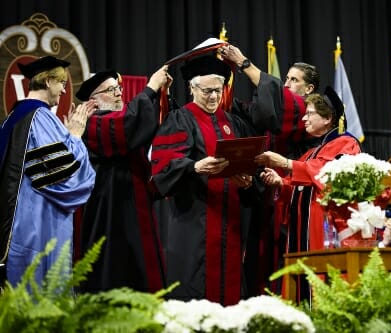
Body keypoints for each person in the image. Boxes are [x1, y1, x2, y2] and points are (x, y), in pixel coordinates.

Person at [149, 55, 258, 306]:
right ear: (192, 88)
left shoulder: (234, 123)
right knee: (194, 290)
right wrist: (194, 166)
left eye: (217, 91)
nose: (213, 97)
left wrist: (249, 182)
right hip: (194, 220)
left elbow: (251, 166)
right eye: (207, 91)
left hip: (229, 221)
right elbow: (164, 164)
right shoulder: (180, 119)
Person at [219, 44, 322, 296]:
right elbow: (252, 113)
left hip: (290, 195)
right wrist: (221, 88)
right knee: (258, 258)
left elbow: (276, 97)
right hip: (264, 196)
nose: (286, 84)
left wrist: (243, 62)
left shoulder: (305, 112)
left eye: (294, 80)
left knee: (281, 260)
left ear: (309, 89)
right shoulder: (282, 110)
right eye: (286, 78)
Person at [255, 87, 361, 302]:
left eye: (310, 113)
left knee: (320, 288)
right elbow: (299, 185)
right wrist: (280, 183)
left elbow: (326, 175)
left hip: (324, 228)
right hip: (300, 229)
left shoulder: (346, 144)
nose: (304, 118)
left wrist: (285, 163)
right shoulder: (310, 152)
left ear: (328, 118)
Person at [74, 64, 172, 293]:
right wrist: (150, 89)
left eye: (118, 88)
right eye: (110, 90)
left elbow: (146, 124)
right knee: (115, 273)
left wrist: (161, 94)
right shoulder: (93, 122)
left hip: (135, 209)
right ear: (93, 101)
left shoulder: (120, 117)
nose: (119, 93)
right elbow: (127, 126)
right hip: (108, 212)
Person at [0, 56, 96, 287]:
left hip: (14, 222)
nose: (64, 91)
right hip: (36, 224)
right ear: (48, 82)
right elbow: (65, 179)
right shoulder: (40, 117)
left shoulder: (12, 118)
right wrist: (74, 135)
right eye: (61, 83)